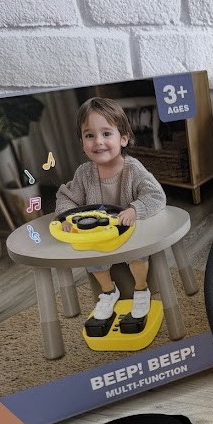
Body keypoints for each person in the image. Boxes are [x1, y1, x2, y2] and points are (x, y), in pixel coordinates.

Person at [55, 97, 166, 323]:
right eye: (89, 135)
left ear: (123, 138)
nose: (98, 142)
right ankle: (108, 291)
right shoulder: (84, 173)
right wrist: (68, 217)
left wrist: (135, 210)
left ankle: (141, 288)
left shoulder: (133, 169)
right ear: (82, 143)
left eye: (106, 134)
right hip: (99, 236)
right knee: (92, 258)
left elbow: (156, 195)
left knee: (137, 255)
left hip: (129, 233)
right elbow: (66, 197)